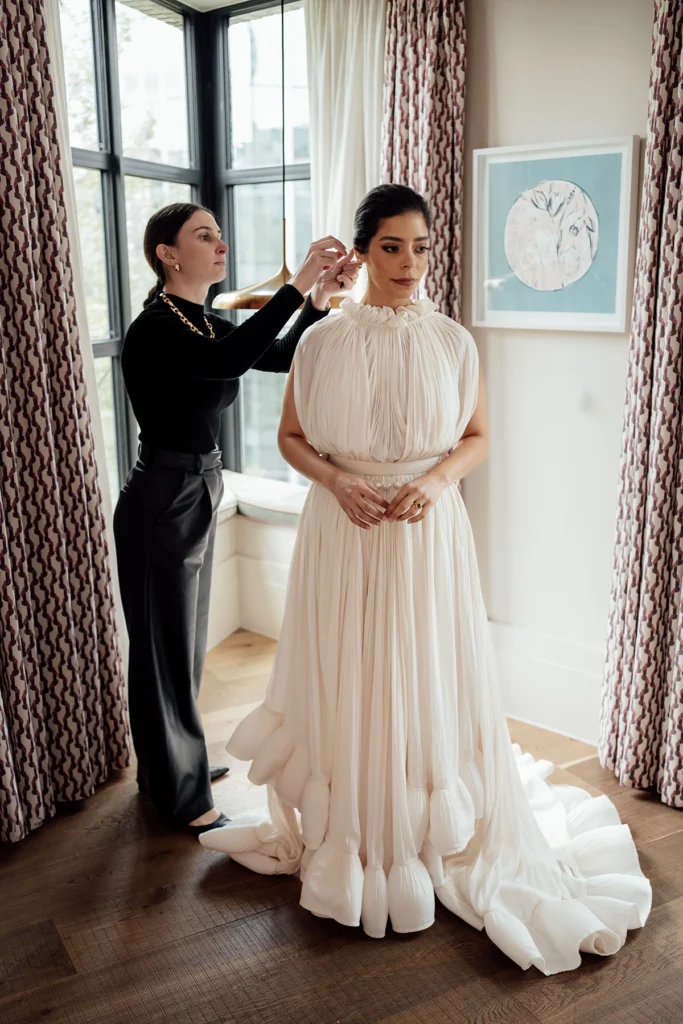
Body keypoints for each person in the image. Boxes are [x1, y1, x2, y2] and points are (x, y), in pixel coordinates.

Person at [202, 185, 651, 974]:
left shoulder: (454, 341)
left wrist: (438, 483)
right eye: (390, 247)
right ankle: (356, 824)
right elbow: (293, 439)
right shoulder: (318, 343)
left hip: (425, 530)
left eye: (419, 247)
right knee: (353, 668)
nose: (408, 263)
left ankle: (422, 827)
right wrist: (338, 484)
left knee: (423, 671)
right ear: (361, 251)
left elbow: (477, 437)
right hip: (343, 532)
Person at [113, 202, 358, 834]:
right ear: (168, 254)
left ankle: (171, 773)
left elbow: (275, 357)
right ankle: (185, 797)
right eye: (203, 235)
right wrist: (296, 282)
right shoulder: (155, 327)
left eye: (221, 233)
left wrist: (319, 300)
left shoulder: (197, 321)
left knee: (184, 646)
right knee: (164, 649)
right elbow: (229, 363)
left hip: (197, 485)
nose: (220, 243)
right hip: (163, 493)